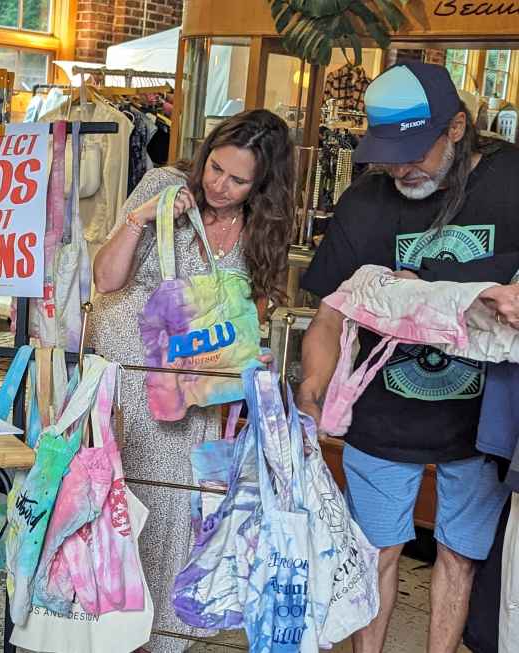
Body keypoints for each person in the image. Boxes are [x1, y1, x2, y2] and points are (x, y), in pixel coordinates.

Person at [297, 61, 519, 653]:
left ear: (456, 128)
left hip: (483, 423)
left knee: (460, 555)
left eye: (413, 150)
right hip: (381, 415)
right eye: (386, 150)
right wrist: (313, 386)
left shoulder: (512, 180)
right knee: (375, 552)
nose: (399, 166)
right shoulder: (367, 202)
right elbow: (327, 317)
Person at [90, 109, 295, 652]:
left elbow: (255, 308)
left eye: (237, 179)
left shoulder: (263, 230)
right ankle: (105, 632)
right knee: (118, 507)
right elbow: (105, 278)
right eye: (215, 168)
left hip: (195, 395)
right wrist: (142, 218)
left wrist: (250, 354)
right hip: (131, 380)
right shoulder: (165, 185)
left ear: (263, 185)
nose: (219, 185)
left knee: (178, 516)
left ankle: (162, 641)